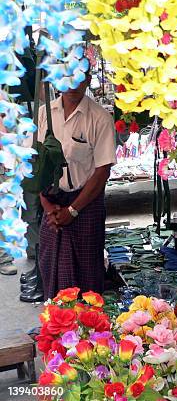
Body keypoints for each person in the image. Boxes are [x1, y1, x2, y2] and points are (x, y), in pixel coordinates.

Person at [37, 72, 116, 300]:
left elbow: (103, 171)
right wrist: (48, 206)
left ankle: (89, 331)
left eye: (79, 76)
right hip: (52, 201)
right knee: (51, 267)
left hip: (86, 202)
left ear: (88, 79)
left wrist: (73, 210)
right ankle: (57, 327)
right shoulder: (44, 114)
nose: (72, 83)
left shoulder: (99, 118)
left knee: (88, 275)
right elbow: (36, 163)